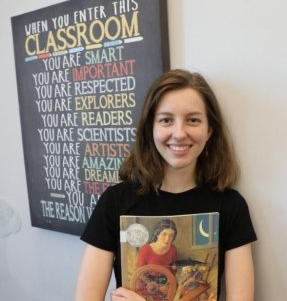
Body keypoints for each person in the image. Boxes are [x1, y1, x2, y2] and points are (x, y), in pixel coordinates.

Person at [75, 69, 257, 301]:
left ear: (209, 130)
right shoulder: (115, 201)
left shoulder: (231, 206)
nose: (179, 133)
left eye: (193, 120)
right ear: (151, 128)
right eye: (166, 120)